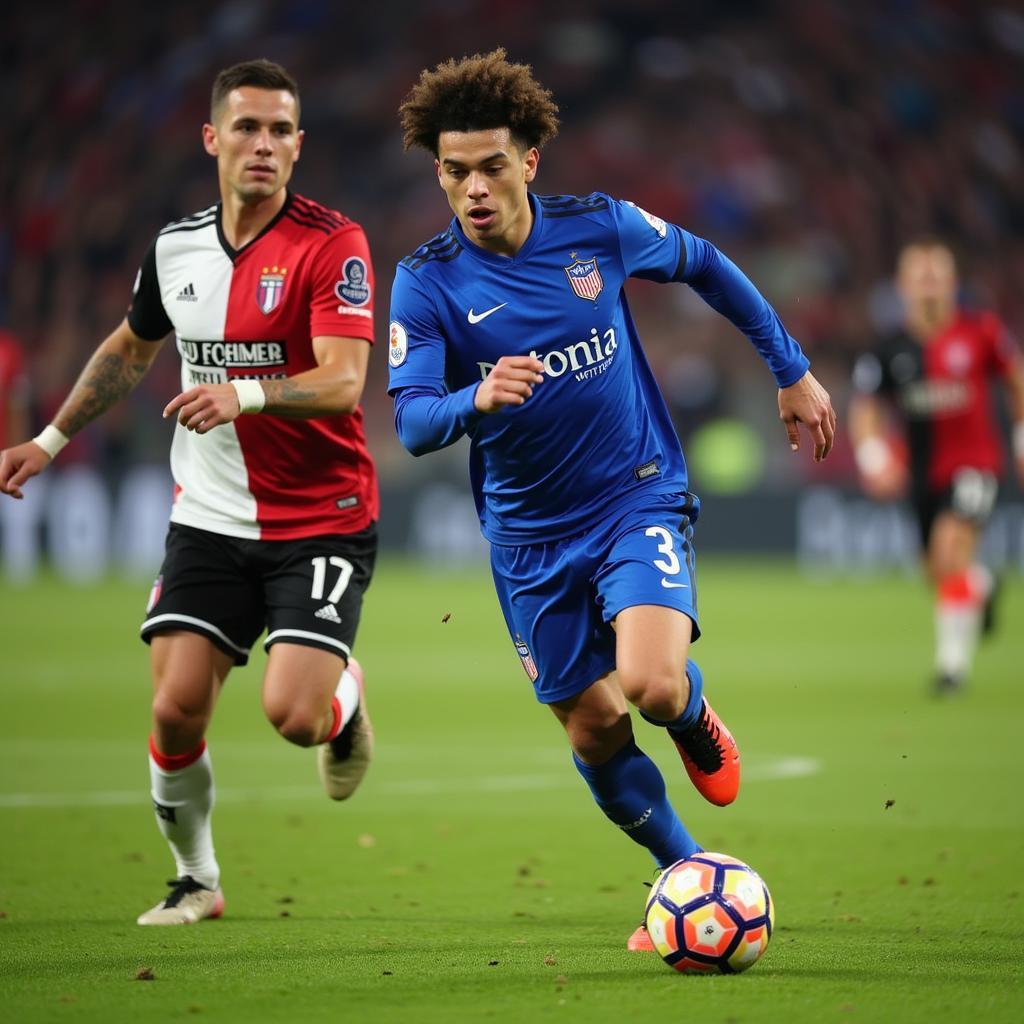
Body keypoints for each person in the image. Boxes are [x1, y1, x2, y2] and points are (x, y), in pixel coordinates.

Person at [388, 50, 836, 950]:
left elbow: (706, 264)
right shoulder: (426, 280)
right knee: (594, 726)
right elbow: (412, 422)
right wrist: (474, 397)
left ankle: (691, 710)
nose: (472, 188)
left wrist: (790, 368)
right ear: (436, 172)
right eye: (453, 171)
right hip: (525, 538)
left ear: (529, 161)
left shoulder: (599, 228)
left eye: (490, 166)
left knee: (650, 684)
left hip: (633, 496)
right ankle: (683, 869)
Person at [0, 59, 380, 925]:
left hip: (319, 516)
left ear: (299, 147)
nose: (264, 145)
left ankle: (343, 699)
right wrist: (50, 438)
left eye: (281, 130)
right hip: (208, 515)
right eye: (247, 127)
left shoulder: (332, 244)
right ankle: (196, 879)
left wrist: (242, 392)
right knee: (174, 709)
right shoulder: (175, 249)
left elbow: (344, 380)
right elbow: (130, 349)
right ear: (212, 138)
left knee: (293, 715)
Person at [851, 239, 1024, 694]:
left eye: (937, 274)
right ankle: (983, 586)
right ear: (903, 286)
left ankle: (951, 668)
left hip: (976, 464)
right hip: (922, 473)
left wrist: (1022, 445)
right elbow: (865, 408)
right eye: (919, 275)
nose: (929, 283)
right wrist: (875, 459)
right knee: (936, 569)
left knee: (950, 551)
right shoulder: (890, 348)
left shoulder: (981, 331)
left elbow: (1016, 380)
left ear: (953, 283)